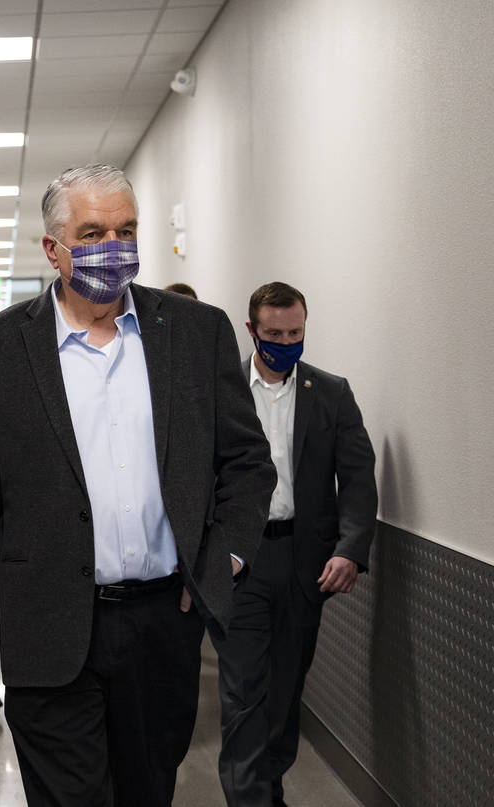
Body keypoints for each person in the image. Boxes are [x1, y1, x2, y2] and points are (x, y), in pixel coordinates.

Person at [0, 164, 276, 806]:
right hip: (47, 626)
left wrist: (220, 560)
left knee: (147, 792)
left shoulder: (196, 334)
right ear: (52, 248)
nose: (113, 246)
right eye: (92, 232)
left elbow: (249, 464)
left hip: (161, 622)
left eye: (126, 230)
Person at [212, 282, 377, 807]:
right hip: (241, 560)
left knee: (283, 695)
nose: (286, 341)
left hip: (303, 563)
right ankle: (251, 800)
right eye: (274, 333)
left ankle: (268, 789)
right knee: (243, 694)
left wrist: (349, 547)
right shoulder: (221, 390)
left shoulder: (331, 393)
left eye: (296, 332)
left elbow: (357, 477)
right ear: (251, 330)